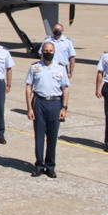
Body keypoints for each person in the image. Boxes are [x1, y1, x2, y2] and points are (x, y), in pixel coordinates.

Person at [26, 41, 70, 178]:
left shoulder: (61, 68)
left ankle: (50, 166)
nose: (48, 53)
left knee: (52, 137)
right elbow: (28, 88)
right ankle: (39, 165)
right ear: (41, 52)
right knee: (39, 136)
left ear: (54, 52)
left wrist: (64, 107)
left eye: (51, 51)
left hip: (55, 103)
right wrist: (29, 108)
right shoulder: (35, 68)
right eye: (46, 50)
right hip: (39, 102)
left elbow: (65, 88)